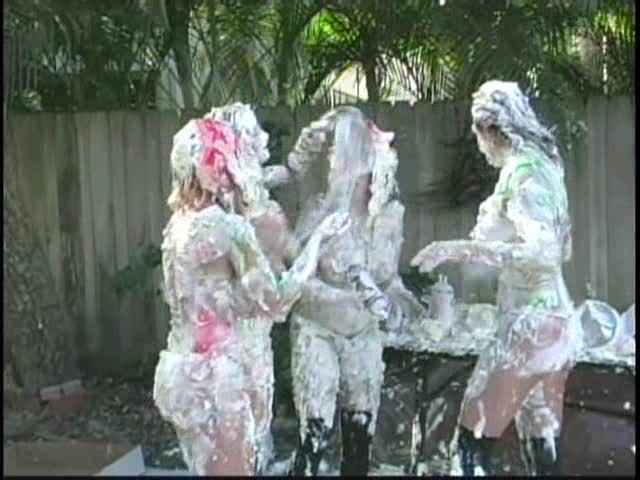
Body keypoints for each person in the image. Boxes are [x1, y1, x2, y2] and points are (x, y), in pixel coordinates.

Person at [152, 106, 348, 475]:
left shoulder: (177, 226)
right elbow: (278, 299)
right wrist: (318, 242)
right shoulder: (230, 229)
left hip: (182, 373)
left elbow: (214, 298)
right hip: (223, 380)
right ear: (224, 164)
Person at [411, 80, 582, 476]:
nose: (479, 144)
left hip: (529, 327)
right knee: (540, 443)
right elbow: (566, 249)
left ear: (489, 129)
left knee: (471, 445)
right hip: (555, 324)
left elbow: (543, 253)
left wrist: (459, 249)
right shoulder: (546, 167)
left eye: (477, 133)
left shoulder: (522, 174)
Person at [286, 107, 427, 476]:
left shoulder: (389, 216)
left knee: (360, 431)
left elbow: (388, 278)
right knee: (315, 432)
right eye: (331, 153)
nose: (332, 161)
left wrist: (403, 301)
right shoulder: (318, 211)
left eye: (339, 152)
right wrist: (345, 299)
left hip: (363, 333)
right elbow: (297, 281)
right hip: (318, 330)